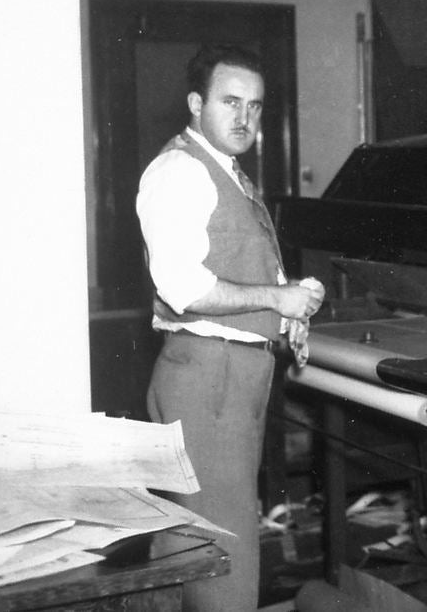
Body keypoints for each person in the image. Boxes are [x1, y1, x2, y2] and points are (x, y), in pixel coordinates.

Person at [136, 43, 324, 611]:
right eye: (230, 101)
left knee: (187, 536)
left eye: (256, 106)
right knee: (226, 549)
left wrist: (284, 316)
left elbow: (234, 264)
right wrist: (278, 297)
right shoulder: (180, 170)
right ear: (197, 103)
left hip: (226, 374)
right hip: (208, 377)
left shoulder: (227, 173)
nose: (245, 118)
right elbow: (184, 288)